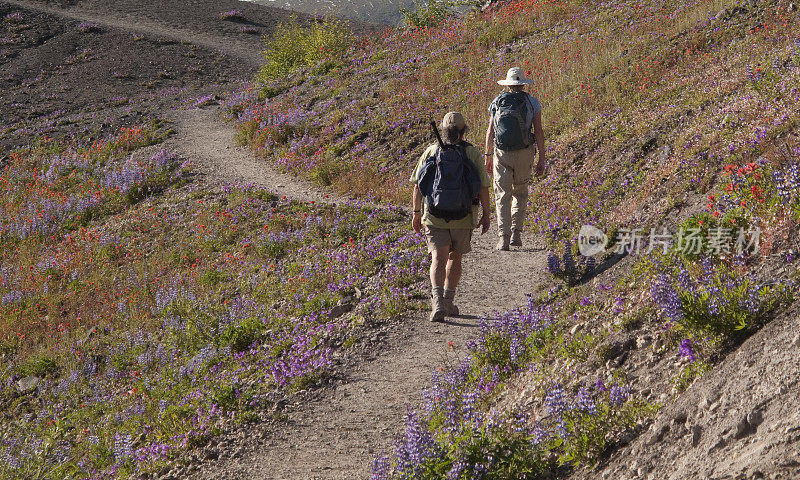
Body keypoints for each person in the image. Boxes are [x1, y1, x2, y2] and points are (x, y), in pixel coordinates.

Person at [411, 112, 491, 322]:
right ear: (464, 131)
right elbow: (483, 187)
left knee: (438, 257)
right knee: (455, 257)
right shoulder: (471, 153)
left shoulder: (431, 150)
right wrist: (486, 215)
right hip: (463, 216)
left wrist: (416, 213)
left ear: (443, 130)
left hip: (434, 215)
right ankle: (448, 301)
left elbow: (418, 187)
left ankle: (437, 303)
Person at [484, 67, 546, 251]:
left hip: (502, 153)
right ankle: (516, 234)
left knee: (502, 195)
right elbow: (539, 132)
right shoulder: (532, 102)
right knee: (520, 192)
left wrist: (488, 155)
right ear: (523, 85)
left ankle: (503, 238)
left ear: (508, 84)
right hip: (525, 152)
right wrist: (542, 158)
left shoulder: (496, 102)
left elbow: (490, 132)